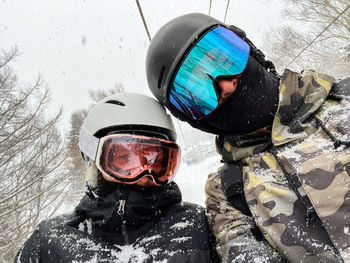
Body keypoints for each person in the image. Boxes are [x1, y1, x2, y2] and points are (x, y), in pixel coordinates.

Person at [145, 12, 350, 262]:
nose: (227, 86)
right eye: (200, 93)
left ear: (252, 51)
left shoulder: (344, 103)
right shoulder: (227, 192)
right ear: (195, 119)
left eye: (226, 59)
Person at [15, 92, 219, 262]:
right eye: (124, 159)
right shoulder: (51, 241)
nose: (144, 173)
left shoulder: (200, 227)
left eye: (156, 161)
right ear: (94, 161)